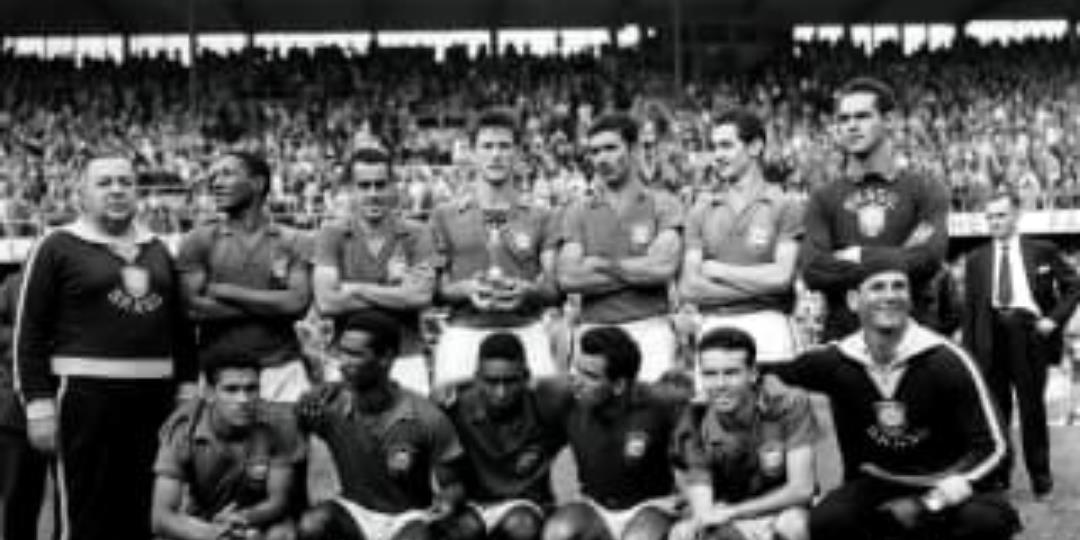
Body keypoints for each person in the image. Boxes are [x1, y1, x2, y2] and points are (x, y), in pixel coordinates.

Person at [770, 255, 1019, 540]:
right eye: (877, 287)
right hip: (878, 483)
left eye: (899, 286)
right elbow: (765, 374)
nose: (890, 296)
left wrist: (930, 502)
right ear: (853, 300)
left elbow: (996, 448)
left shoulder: (947, 360)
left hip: (947, 481)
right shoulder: (837, 359)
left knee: (985, 521)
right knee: (829, 520)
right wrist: (770, 389)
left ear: (910, 299)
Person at [15, 154, 198, 540]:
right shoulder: (56, 246)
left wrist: (187, 392)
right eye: (104, 183)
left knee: (145, 512)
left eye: (125, 182)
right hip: (84, 398)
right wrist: (38, 406)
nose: (117, 190)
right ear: (81, 194)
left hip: (156, 401)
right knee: (86, 515)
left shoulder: (158, 249)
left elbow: (181, 330)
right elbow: (29, 333)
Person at [293, 311, 482, 540]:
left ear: (386, 358)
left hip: (406, 517)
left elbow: (454, 485)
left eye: (355, 355)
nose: (343, 363)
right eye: (342, 352)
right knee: (312, 524)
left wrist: (447, 502)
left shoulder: (426, 416)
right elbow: (286, 431)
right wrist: (305, 405)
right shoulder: (327, 404)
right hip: (355, 512)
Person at [800, 77, 949, 341]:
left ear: (889, 120)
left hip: (912, 337)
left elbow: (928, 258)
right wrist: (898, 258)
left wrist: (855, 255)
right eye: (844, 119)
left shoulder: (925, 189)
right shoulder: (823, 197)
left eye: (862, 116)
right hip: (845, 338)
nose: (851, 126)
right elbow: (814, 269)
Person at [960, 188, 1080, 497]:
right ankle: (999, 477)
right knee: (995, 412)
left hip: (1028, 334)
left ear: (1016, 215)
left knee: (1031, 409)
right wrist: (970, 356)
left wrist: (1053, 320)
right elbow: (970, 311)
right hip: (990, 338)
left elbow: (1074, 285)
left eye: (1000, 216)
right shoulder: (976, 259)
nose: (994, 222)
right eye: (990, 217)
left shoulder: (1042, 250)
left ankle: (1041, 479)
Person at [430, 108, 562, 386]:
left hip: (526, 331)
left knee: (544, 405)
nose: (496, 155)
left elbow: (554, 289)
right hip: (464, 332)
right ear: (472, 152)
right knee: (451, 408)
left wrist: (526, 290)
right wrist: (468, 289)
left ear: (518, 153)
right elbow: (436, 291)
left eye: (504, 146)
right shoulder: (445, 215)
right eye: (487, 146)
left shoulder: (542, 215)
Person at [557, 113, 684, 382]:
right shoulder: (576, 210)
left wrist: (600, 264)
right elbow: (568, 278)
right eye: (595, 152)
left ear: (634, 149)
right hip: (594, 329)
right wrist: (639, 270)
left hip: (650, 328)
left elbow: (662, 269)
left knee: (652, 405)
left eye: (611, 148)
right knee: (592, 406)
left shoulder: (664, 203)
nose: (602, 158)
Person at [178, 151, 313, 402]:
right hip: (220, 376)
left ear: (258, 183)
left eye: (227, 174)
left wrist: (225, 291)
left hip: (282, 370)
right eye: (213, 177)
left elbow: (298, 304)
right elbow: (192, 309)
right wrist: (274, 305)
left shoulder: (293, 240)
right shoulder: (198, 240)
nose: (216, 183)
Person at [679, 109, 803, 366]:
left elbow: (782, 278)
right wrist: (764, 290)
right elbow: (690, 287)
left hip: (770, 329)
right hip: (714, 328)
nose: (717, 155)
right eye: (714, 147)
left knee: (775, 393)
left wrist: (719, 270)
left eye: (726, 145)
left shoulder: (784, 204)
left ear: (755, 146)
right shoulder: (701, 208)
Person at [668, 327, 818, 540]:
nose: (720, 385)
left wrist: (736, 512)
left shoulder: (789, 402)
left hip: (782, 508)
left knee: (794, 526)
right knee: (687, 534)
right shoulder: (695, 418)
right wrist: (726, 520)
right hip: (725, 510)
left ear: (753, 373)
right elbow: (705, 509)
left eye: (731, 373)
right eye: (710, 374)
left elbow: (802, 489)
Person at [312, 145, 437, 394]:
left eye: (380, 185)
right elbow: (327, 302)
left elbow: (421, 296)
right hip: (347, 358)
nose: (373, 194)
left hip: (405, 357)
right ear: (350, 189)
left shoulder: (417, 232)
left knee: (410, 419)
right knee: (345, 419)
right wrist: (397, 293)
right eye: (364, 185)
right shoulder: (331, 233)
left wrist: (354, 288)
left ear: (393, 187)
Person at [543, 326, 685, 540]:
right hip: (594, 505)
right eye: (577, 371)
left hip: (650, 506)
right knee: (557, 532)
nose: (577, 382)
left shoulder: (660, 406)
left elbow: (698, 453)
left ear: (619, 385)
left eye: (590, 376)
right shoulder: (566, 402)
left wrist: (695, 501)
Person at [152, 348, 305, 540]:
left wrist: (243, 518)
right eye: (231, 390)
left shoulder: (278, 423)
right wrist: (214, 533)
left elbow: (278, 501)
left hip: (258, 518)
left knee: (282, 534)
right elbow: (161, 518)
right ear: (209, 393)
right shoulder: (183, 429)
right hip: (203, 520)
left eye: (251, 389)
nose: (243, 399)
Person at [437, 332, 568, 540]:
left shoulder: (546, 404)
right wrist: (447, 502)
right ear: (477, 378)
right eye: (491, 381)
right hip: (475, 504)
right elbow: (451, 481)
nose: (501, 392)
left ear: (526, 377)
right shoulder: (456, 409)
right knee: (459, 530)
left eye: (510, 381)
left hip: (527, 505)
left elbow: (574, 384)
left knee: (521, 526)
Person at [0, 270, 52, 540]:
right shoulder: (14, 283)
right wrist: (25, 340)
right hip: (19, 408)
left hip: (77, 403)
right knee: (19, 501)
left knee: (75, 501)